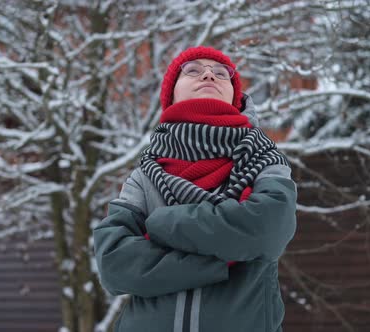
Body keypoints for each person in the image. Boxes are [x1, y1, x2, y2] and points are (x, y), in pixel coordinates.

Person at [93, 46, 297, 332]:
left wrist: (163, 224)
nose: (209, 75)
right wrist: (219, 261)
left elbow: (269, 230)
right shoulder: (146, 174)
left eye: (221, 73)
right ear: (172, 92)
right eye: (193, 70)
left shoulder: (265, 160)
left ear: (235, 95)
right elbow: (113, 262)